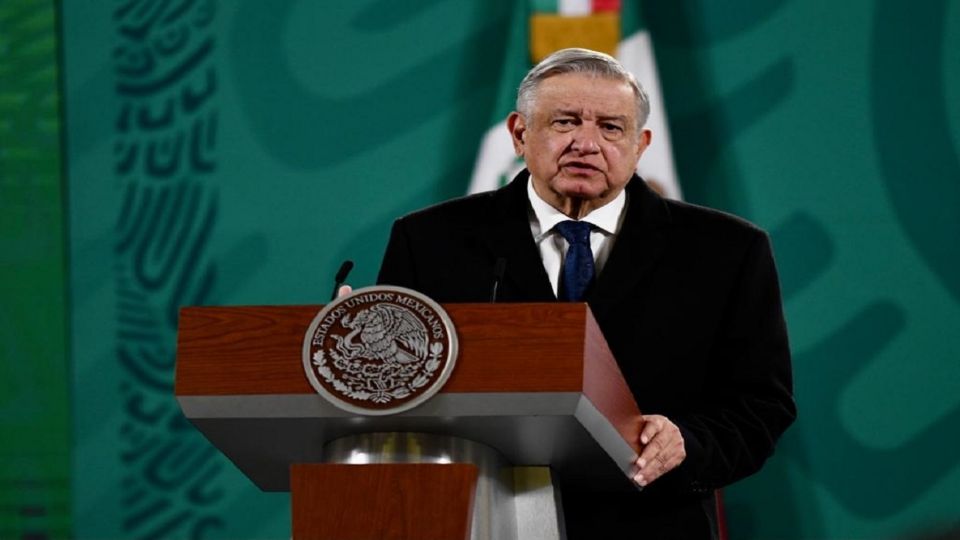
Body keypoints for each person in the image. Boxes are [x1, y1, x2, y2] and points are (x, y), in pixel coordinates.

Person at [377, 47, 796, 539]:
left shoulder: (726, 251)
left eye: (611, 128)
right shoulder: (430, 241)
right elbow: (393, 392)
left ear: (641, 144)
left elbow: (760, 406)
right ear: (519, 134)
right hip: (476, 519)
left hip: (649, 524)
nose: (587, 143)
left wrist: (687, 442)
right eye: (565, 122)